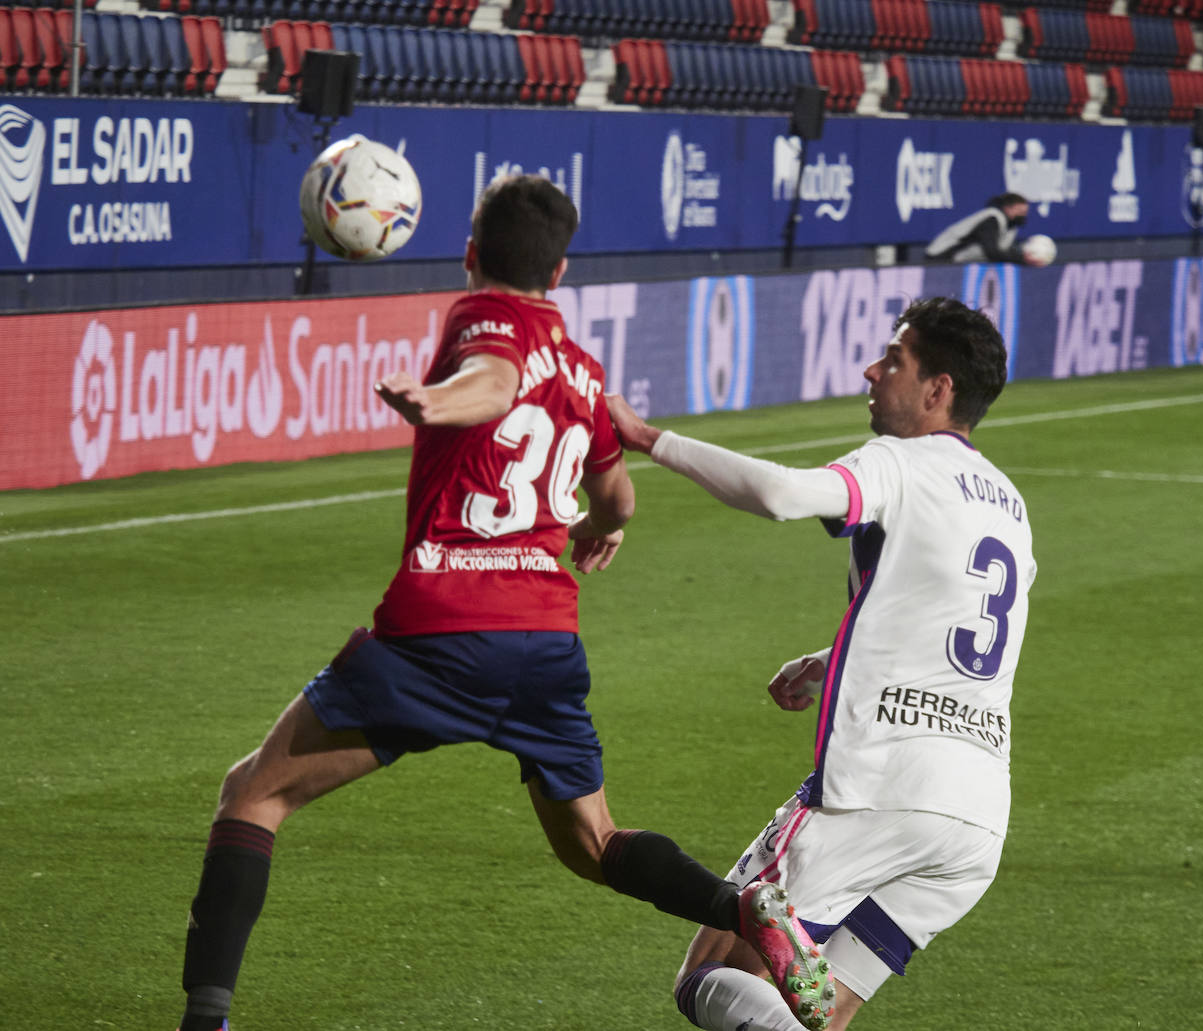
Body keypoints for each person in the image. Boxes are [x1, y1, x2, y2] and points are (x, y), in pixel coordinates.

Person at [174, 175, 834, 1031]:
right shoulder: (586, 367)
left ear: (472, 253)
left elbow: (493, 378)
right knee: (593, 844)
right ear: (559, 270)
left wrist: (435, 400)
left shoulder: (483, 316)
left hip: (442, 630)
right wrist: (598, 525)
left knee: (254, 795)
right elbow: (620, 497)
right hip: (545, 642)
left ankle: (205, 1020)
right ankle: (744, 908)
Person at [606, 296, 1037, 1031]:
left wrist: (649, 438)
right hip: (976, 818)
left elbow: (782, 494)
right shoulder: (1011, 505)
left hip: (880, 789)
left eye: (894, 358)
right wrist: (826, 661)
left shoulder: (901, 462)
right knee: (820, 1014)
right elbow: (950, 632)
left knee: (710, 973)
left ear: (939, 390)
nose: (872, 370)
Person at [923, 192, 1049, 266]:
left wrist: (1022, 255)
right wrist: (1023, 259)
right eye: (1020, 211)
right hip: (941, 258)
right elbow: (992, 252)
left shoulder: (1010, 226)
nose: (1023, 215)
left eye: (1025, 212)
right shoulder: (991, 220)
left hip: (957, 263)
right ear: (1008, 208)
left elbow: (1004, 250)